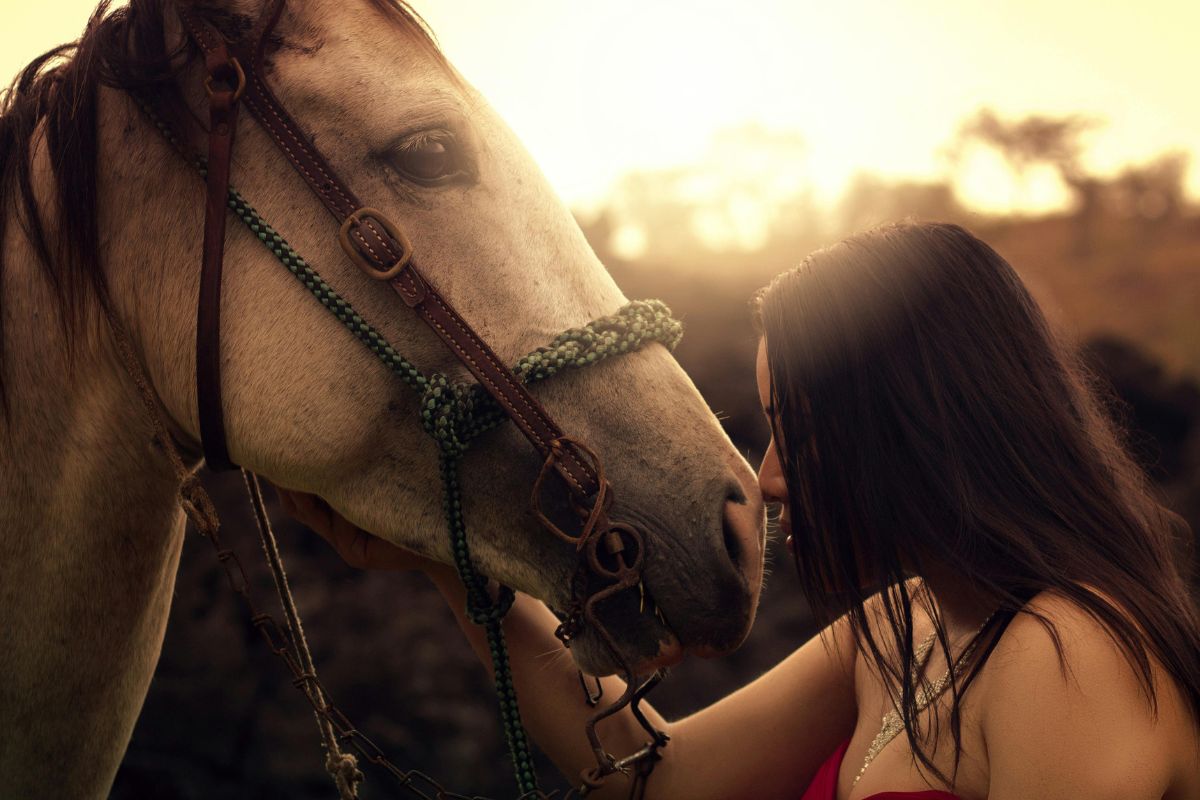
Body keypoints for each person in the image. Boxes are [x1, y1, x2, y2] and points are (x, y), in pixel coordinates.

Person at [277, 221, 1200, 799]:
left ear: (914, 426)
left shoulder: (1066, 653)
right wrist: (451, 559)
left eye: (793, 431)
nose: (768, 478)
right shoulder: (905, 621)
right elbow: (658, 781)